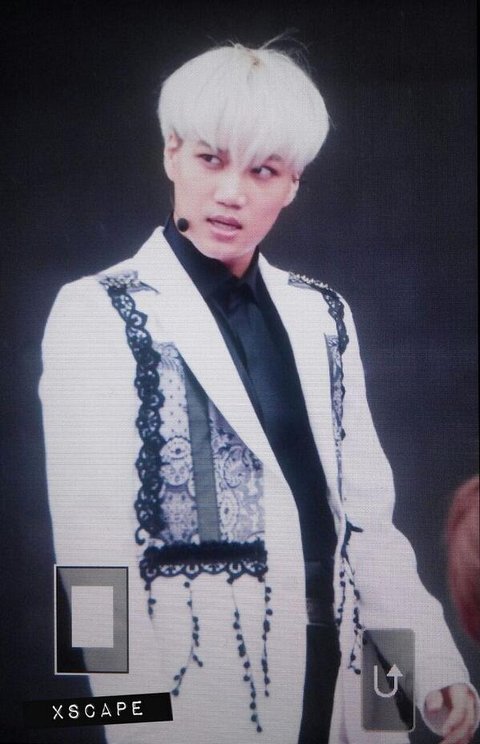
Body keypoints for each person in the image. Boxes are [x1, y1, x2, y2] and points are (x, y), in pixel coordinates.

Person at [39, 41, 478, 744]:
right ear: (172, 152)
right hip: (196, 704)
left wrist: (427, 666)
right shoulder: (98, 311)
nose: (232, 192)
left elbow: (368, 527)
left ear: (293, 184)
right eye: (211, 159)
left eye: (263, 170)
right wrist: (134, 726)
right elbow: (90, 563)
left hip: (346, 687)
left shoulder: (323, 313)